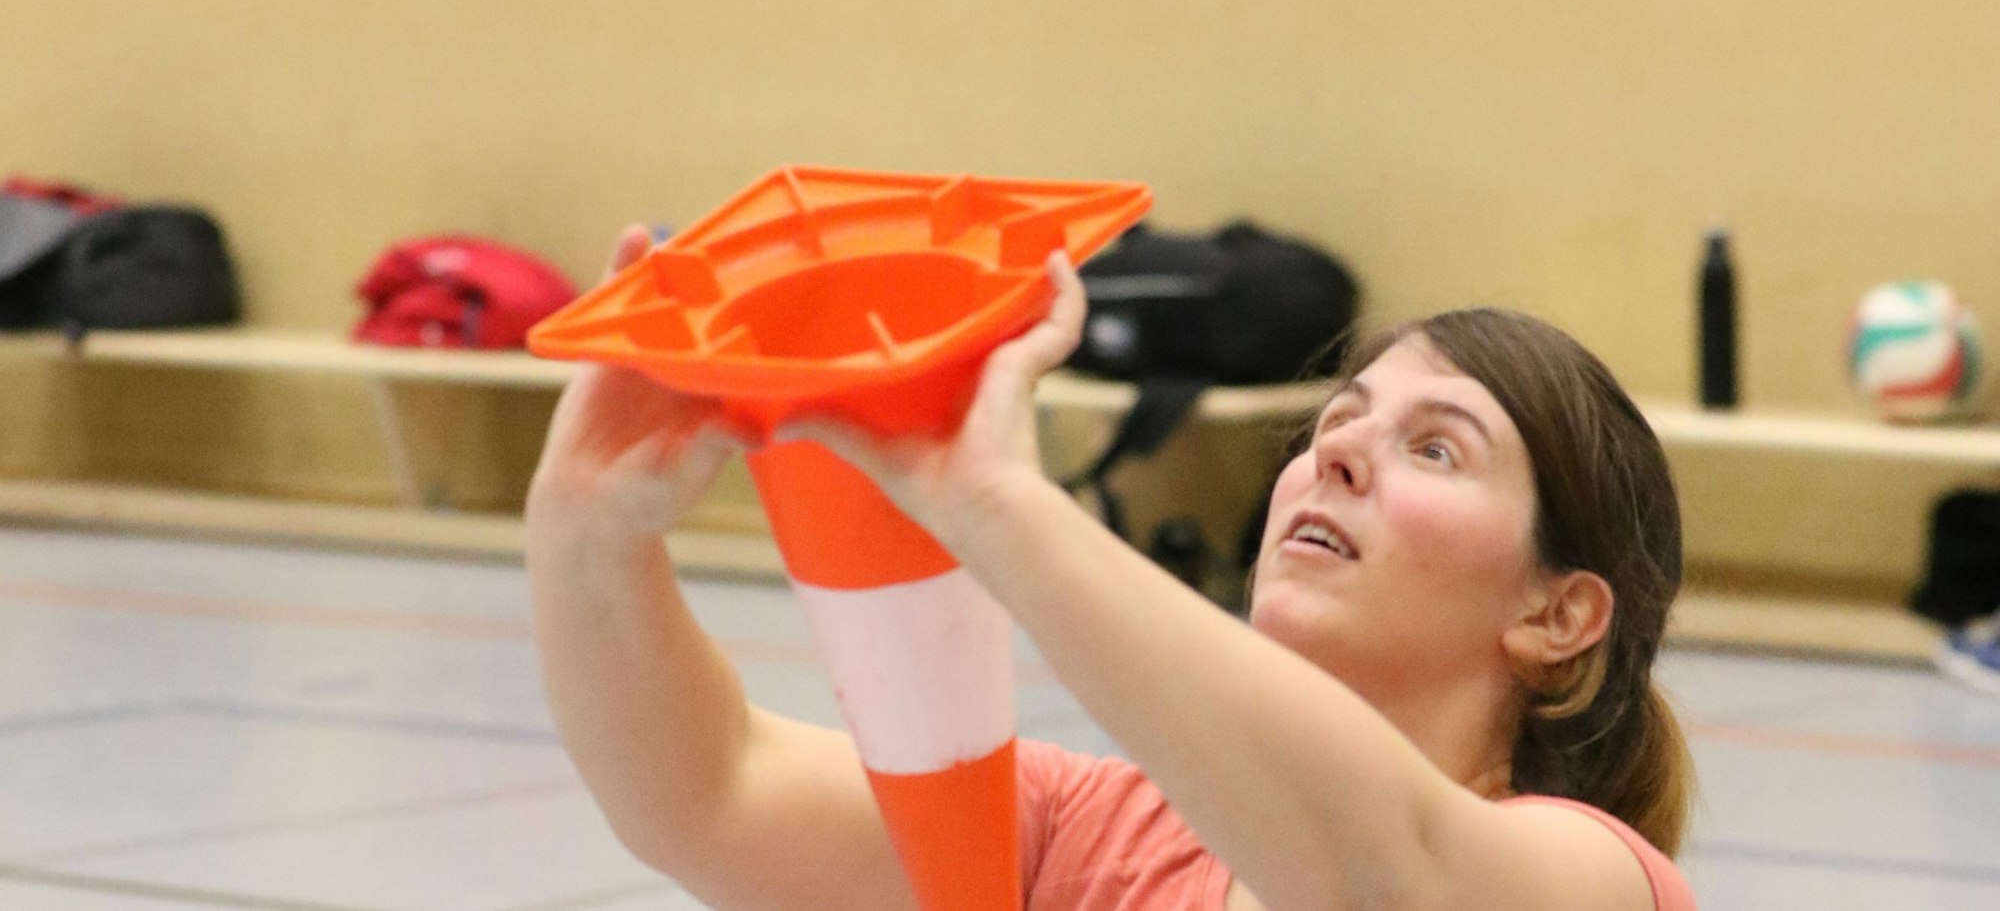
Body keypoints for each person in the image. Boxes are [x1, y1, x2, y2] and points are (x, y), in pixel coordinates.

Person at [526, 225, 1699, 911]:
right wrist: (584, 535)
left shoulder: (1587, 878)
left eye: (1433, 447)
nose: (1336, 453)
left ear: (1559, 616)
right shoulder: (1087, 831)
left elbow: (1384, 871)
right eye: (1335, 422)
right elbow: (709, 787)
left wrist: (996, 505)